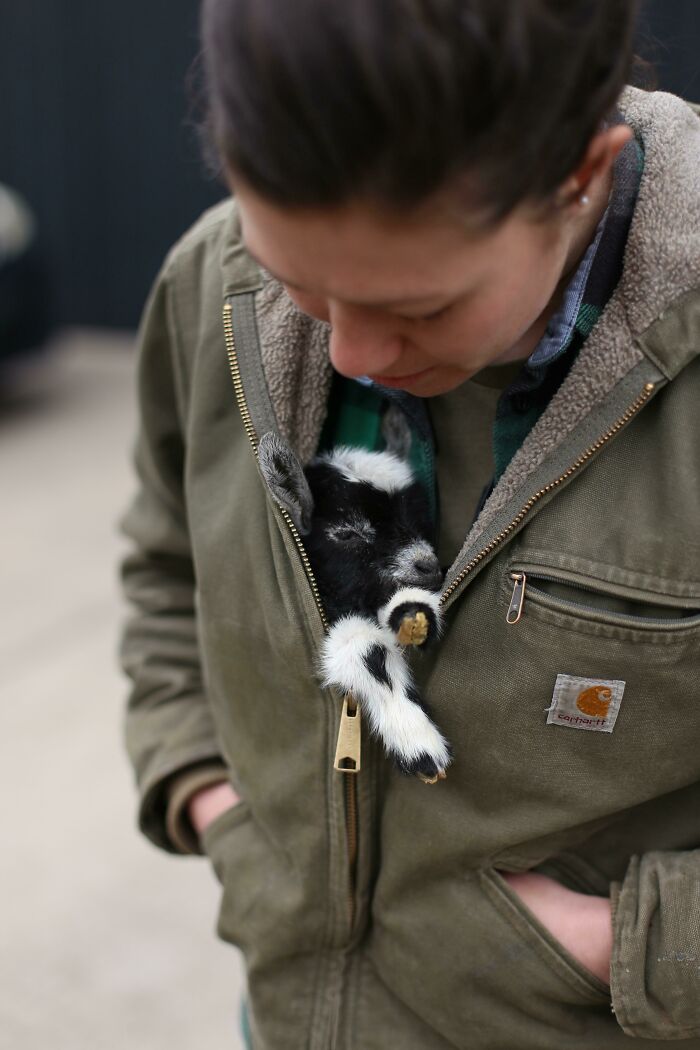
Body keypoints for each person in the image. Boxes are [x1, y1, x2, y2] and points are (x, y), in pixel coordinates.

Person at [119, 1, 700, 1046]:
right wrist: (209, 796)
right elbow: (167, 563)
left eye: (419, 307)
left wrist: (640, 945)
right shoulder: (211, 284)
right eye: (298, 278)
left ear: (580, 171)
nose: (348, 350)